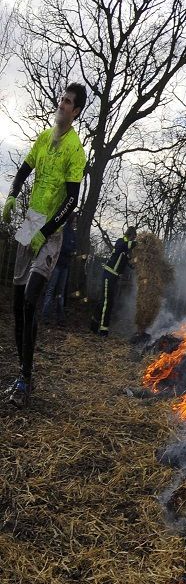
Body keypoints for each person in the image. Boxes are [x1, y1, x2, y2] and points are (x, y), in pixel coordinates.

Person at [2, 83, 88, 408]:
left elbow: (72, 201)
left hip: (51, 233)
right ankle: (21, 375)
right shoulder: (43, 138)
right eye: (62, 100)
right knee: (14, 304)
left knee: (29, 301)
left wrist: (47, 230)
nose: (62, 105)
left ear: (77, 111)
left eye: (68, 102)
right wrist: (11, 195)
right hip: (29, 223)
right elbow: (23, 171)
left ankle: (26, 379)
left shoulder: (75, 150)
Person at [90, 225, 137, 336]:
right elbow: (125, 245)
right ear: (129, 235)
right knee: (107, 302)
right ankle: (103, 331)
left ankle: (94, 325)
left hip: (114, 278)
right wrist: (140, 243)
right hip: (108, 275)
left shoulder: (126, 250)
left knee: (105, 302)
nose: (134, 240)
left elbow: (127, 264)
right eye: (133, 238)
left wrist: (136, 265)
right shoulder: (121, 242)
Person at [41, 212, 78, 324]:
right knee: (51, 289)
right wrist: (70, 250)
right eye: (75, 220)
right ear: (71, 220)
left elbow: (74, 246)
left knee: (60, 292)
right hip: (57, 264)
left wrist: (72, 250)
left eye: (76, 221)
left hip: (65, 266)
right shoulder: (63, 231)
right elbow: (62, 247)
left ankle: (59, 318)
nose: (76, 223)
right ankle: (45, 316)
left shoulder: (73, 234)